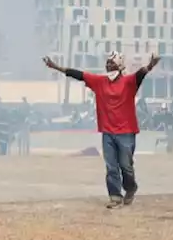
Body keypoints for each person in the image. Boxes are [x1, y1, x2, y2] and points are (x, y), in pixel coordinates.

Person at [43, 50, 159, 208]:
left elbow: (141, 74)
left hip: (126, 132)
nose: (109, 66)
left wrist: (151, 65)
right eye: (107, 64)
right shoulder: (99, 82)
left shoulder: (129, 82)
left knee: (126, 166)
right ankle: (115, 197)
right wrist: (56, 67)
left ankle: (131, 188)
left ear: (120, 66)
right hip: (108, 132)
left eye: (112, 63)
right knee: (111, 166)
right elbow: (78, 74)